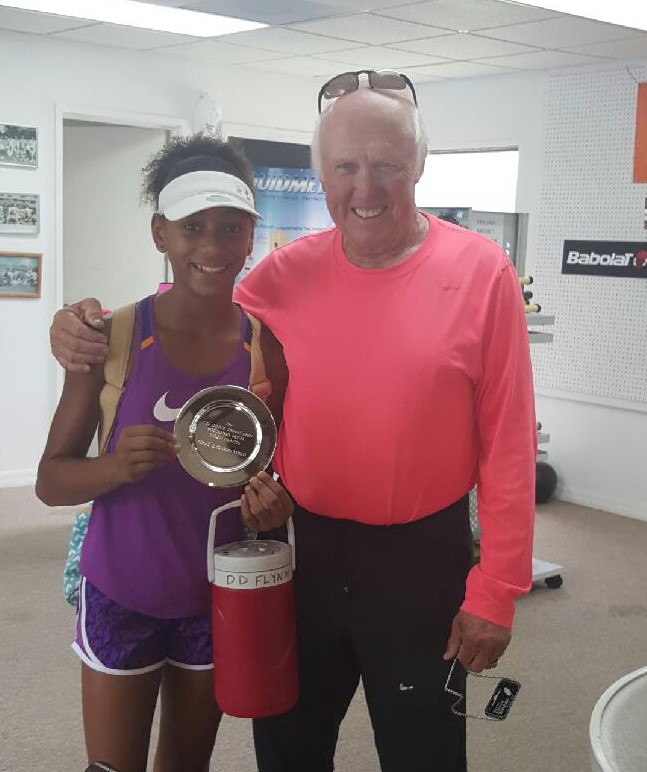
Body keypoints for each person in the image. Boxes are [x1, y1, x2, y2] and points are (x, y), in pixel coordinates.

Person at [49, 71, 537, 772]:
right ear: (321, 173)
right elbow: (193, 306)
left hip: (421, 561)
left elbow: (510, 446)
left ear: (419, 167)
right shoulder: (282, 273)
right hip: (297, 548)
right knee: (287, 746)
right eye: (344, 167)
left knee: (422, 750)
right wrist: (80, 329)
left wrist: (497, 590)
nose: (364, 189)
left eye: (386, 166)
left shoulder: (482, 272)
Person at [37, 135, 294, 772]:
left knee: (186, 765)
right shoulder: (114, 338)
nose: (212, 248)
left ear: (250, 237)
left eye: (230, 229)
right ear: (160, 233)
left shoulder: (266, 352)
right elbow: (50, 480)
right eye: (192, 228)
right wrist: (114, 467)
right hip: (122, 589)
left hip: (217, 596)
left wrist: (272, 508)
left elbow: (269, 474)